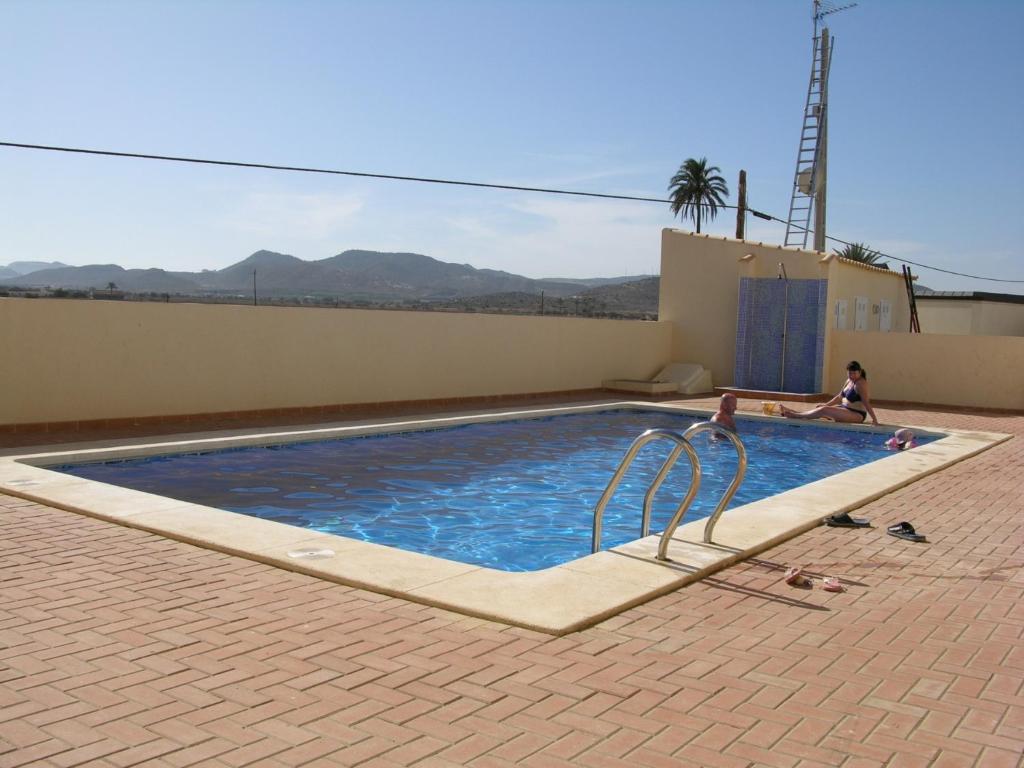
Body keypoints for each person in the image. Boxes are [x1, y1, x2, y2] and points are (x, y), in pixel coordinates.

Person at [779, 360, 879, 426]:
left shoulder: (860, 384)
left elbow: (866, 403)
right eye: (850, 373)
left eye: (854, 373)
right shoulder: (849, 381)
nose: (852, 375)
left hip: (857, 415)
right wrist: (826, 404)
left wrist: (874, 420)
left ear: (860, 372)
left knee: (824, 410)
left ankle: (795, 416)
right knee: (820, 409)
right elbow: (839, 397)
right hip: (845, 409)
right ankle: (795, 412)